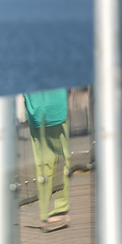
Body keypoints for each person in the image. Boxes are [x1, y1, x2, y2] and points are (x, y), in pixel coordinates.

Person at [25, 88, 71, 233]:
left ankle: (44, 216)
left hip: (36, 110)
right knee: (69, 160)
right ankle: (63, 208)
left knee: (43, 165)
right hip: (58, 106)